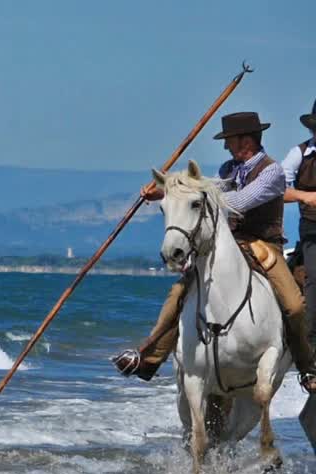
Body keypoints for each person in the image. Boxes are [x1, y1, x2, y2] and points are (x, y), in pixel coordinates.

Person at [111, 111, 316, 393]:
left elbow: (238, 201)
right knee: (178, 293)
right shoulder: (228, 169)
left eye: (229, 140)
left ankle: (306, 368)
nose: (226, 146)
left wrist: (194, 194)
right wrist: (168, 190)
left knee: (293, 305)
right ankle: (149, 358)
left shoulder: (272, 172)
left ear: (246, 141)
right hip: (227, 244)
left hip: (264, 246)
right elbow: (208, 187)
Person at [283, 99, 316, 349]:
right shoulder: (299, 154)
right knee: (314, 276)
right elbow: (276, 190)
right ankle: (312, 345)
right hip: (313, 230)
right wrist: (305, 196)